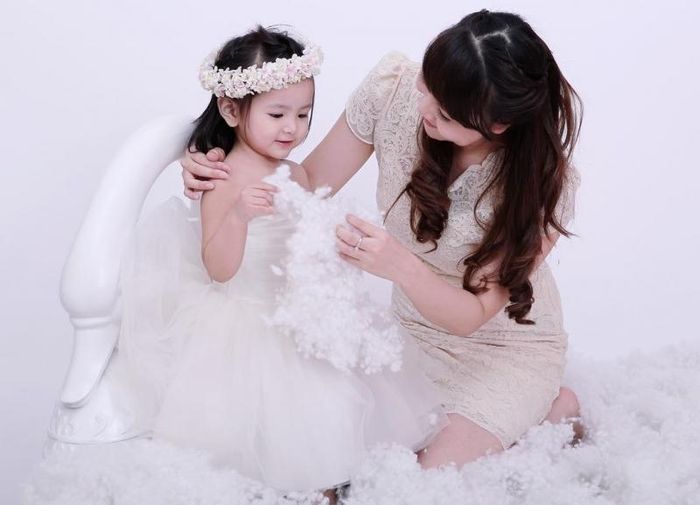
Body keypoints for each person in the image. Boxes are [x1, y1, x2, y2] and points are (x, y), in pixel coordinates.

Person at [181, 10, 584, 468]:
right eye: (426, 86)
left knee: (420, 476)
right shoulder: (392, 91)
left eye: (445, 113)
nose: (424, 109)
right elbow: (304, 185)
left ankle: (552, 409)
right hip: (409, 332)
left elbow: (471, 316)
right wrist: (215, 164)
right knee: (341, 453)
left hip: (501, 349)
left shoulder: (543, 188)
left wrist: (400, 266)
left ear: (496, 125)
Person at [120, 26, 444, 493]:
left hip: (297, 312)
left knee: (330, 409)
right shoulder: (223, 176)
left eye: (303, 114)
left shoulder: (295, 172)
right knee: (270, 422)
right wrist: (237, 215)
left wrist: (334, 246)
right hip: (247, 318)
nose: (292, 128)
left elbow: (304, 237)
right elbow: (219, 270)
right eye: (276, 114)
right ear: (231, 110)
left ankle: (328, 484)